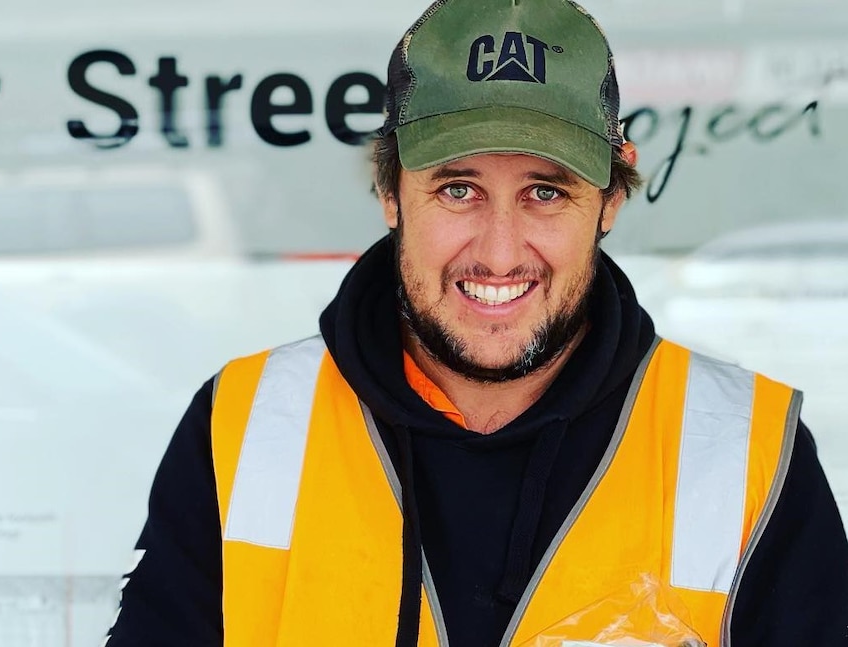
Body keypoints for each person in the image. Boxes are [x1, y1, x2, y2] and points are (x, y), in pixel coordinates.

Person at [104, 0, 848, 645]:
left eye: (545, 194)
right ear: (390, 192)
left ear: (611, 201)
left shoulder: (750, 451)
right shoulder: (244, 425)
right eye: (458, 188)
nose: (498, 252)